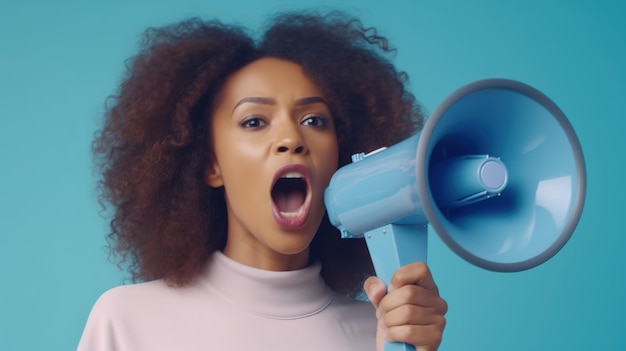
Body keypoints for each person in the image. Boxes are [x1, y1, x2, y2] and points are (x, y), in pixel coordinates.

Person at [78, 10, 447, 351]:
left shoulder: (382, 331)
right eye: (254, 121)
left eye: (314, 120)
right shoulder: (127, 321)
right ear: (210, 164)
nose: (292, 138)